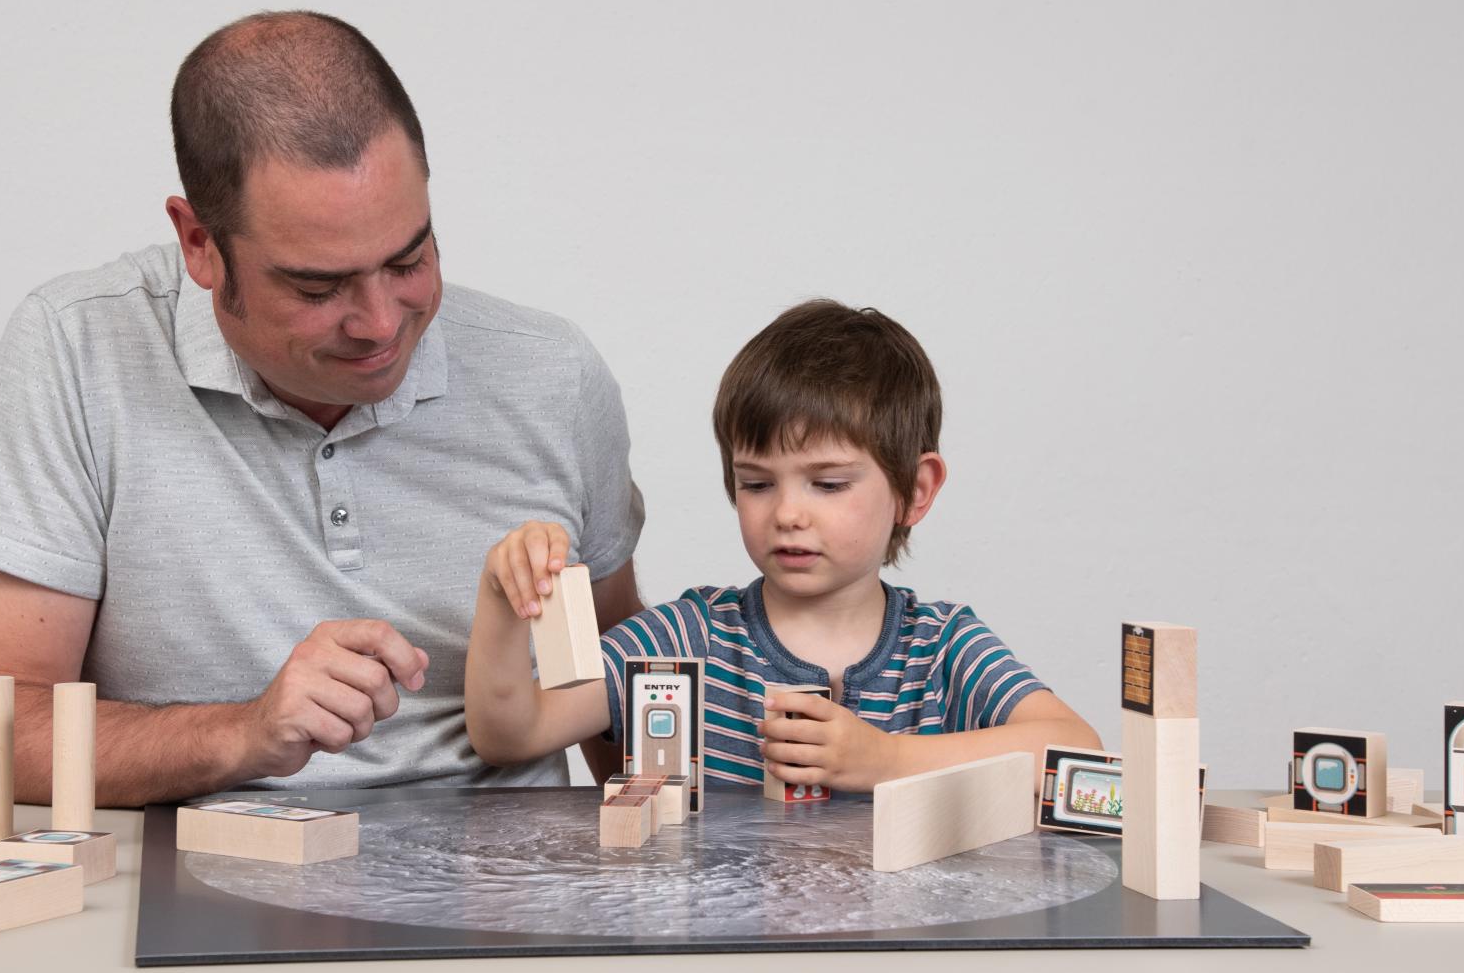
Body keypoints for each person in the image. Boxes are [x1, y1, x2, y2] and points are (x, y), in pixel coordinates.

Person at [0, 11, 644, 806]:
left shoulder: (553, 372)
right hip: (196, 885)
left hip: (507, 897)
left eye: (409, 259)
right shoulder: (77, 349)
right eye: (316, 286)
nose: (378, 322)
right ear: (199, 243)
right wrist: (244, 733)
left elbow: (614, 691)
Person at [465, 299, 1098, 791]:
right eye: (758, 483)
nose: (788, 513)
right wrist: (503, 597)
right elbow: (513, 732)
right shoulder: (690, 637)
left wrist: (888, 759)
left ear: (916, 489)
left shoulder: (942, 649)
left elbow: (1077, 750)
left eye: (827, 483)